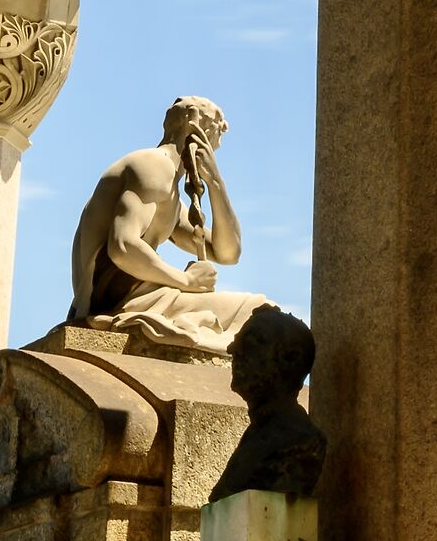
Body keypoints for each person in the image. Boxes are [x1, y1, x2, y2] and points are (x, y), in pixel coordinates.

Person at [68, 97, 271, 352]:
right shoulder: (155, 166)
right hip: (120, 303)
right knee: (260, 314)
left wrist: (215, 183)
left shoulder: (171, 196)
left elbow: (228, 253)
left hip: (143, 298)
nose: (213, 150)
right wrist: (186, 281)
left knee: (260, 318)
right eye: (214, 142)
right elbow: (122, 247)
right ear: (199, 133)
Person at [209, 305, 325, 503]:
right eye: (238, 342)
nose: (232, 350)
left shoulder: (299, 441)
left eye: (251, 343)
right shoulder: (257, 433)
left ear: (291, 357)